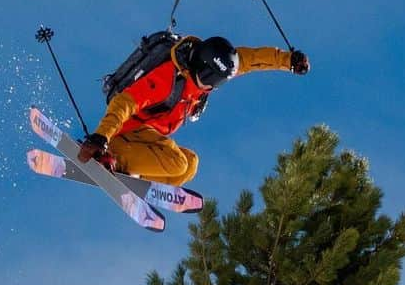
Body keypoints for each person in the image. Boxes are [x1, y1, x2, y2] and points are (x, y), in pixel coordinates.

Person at [76, 35, 310, 186]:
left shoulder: (207, 73)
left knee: (189, 164)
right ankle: (113, 156)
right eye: (209, 78)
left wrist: (288, 60)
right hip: (126, 131)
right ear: (200, 66)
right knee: (177, 162)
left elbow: (250, 59)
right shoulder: (168, 77)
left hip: (145, 135)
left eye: (217, 82)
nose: (210, 85)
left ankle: (130, 171)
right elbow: (124, 102)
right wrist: (101, 137)